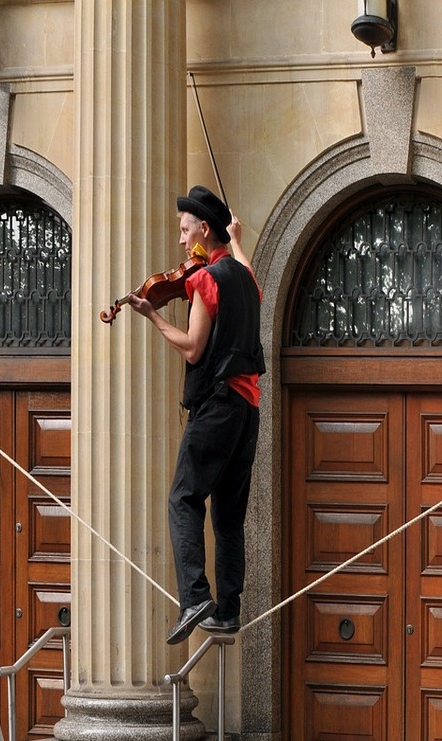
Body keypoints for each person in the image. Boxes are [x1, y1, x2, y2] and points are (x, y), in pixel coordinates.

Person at [127, 186, 265, 645]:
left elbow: (193, 348)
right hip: (248, 411)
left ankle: (194, 598)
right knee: (228, 516)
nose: (183, 242)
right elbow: (245, 268)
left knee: (183, 498)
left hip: (218, 405)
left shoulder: (205, 280)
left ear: (204, 230)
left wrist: (153, 316)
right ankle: (227, 611)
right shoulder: (245, 279)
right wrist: (238, 237)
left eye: (186, 231)